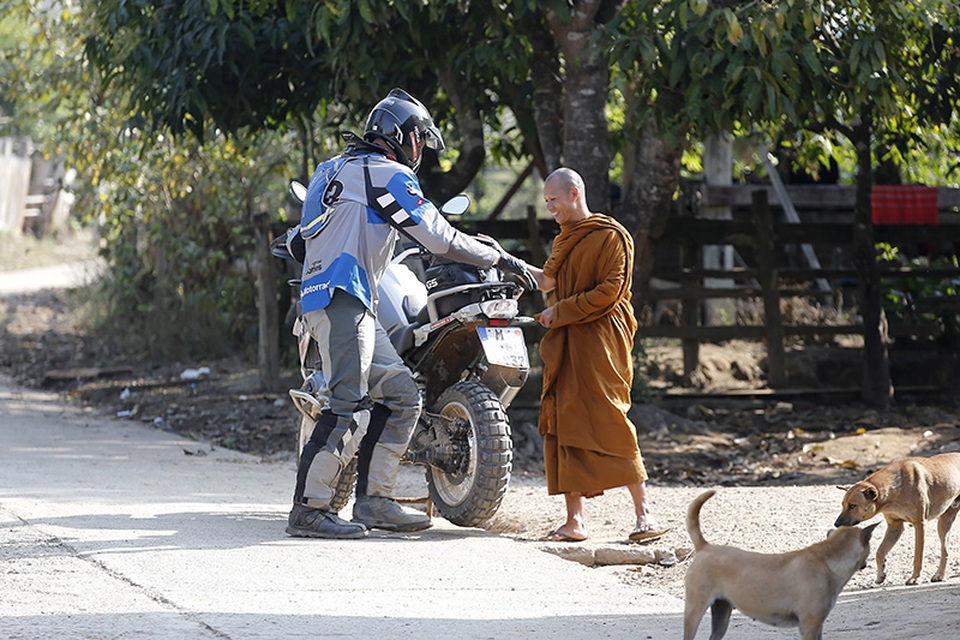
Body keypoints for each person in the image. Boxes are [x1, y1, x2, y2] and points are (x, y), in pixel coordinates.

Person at [285, 88, 535, 539]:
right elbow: (438, 237)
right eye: (419, 138)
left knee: (402, 394)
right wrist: (500, 259)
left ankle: (375, 502)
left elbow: (301, 242)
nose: (419, 150)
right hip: (347, 297)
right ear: (399, 136)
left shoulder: (328, 171)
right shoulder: (388, 173)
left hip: (333, 298)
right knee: (348, 405)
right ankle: (309, 509)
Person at [525, 167, 665, 543]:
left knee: (610, 418)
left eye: (553, 200)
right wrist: (496, 257)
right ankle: (575, 521)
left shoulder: (611, 235)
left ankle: (644, 514)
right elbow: (548, 282)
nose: (550, 207)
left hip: (602, 341)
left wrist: (562, 311)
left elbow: (611, 291)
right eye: (546, 202)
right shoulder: (563, 241)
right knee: (564, 421)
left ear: (574, 193)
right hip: (567, 341)